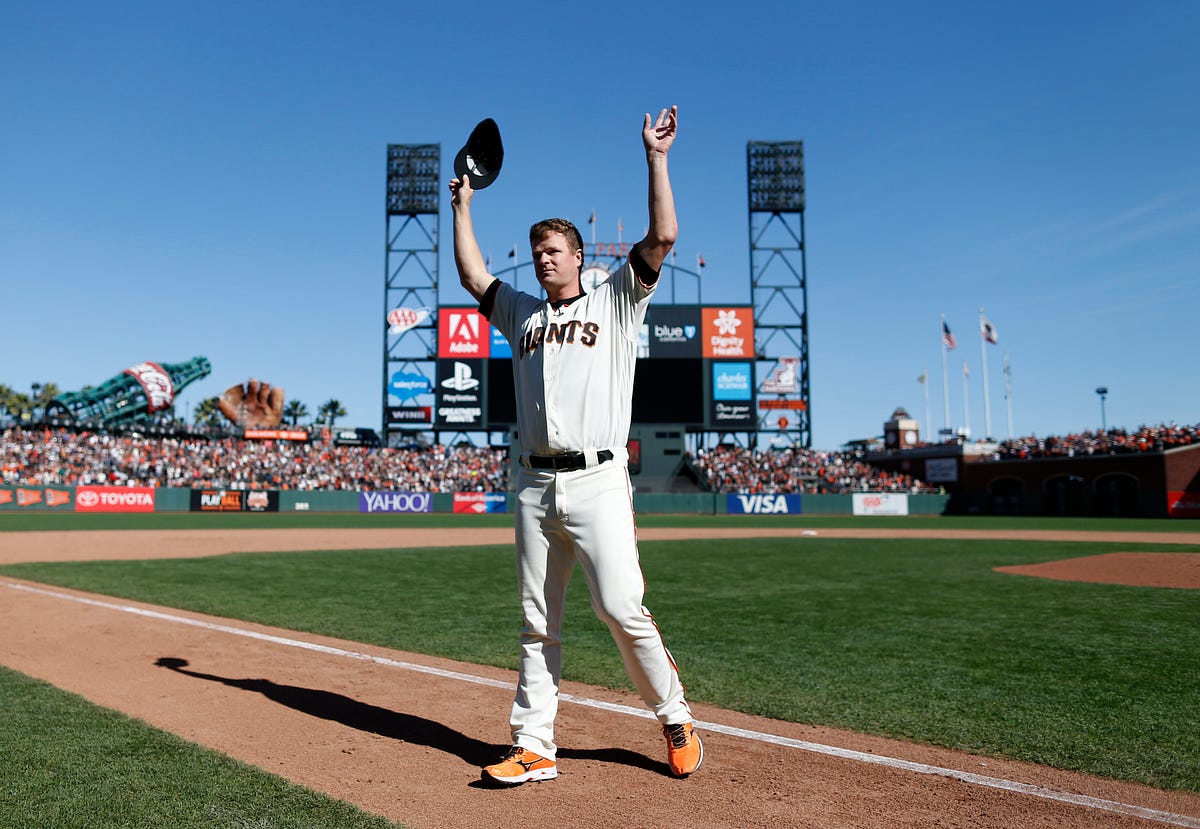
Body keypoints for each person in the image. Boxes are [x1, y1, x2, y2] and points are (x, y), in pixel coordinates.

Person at [449, 105, 703, 785]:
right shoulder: (521, 313)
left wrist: (656, 157)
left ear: (580, 257)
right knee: (537, 623)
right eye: (536, 251)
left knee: (620, 607)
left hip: (596, 480)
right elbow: (475, 276)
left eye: (553, 249)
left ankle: (673, 713)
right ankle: (534, 744)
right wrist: (463, 205)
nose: (541, 257)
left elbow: (664, 233)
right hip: (532, 484)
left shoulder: (615, 301)